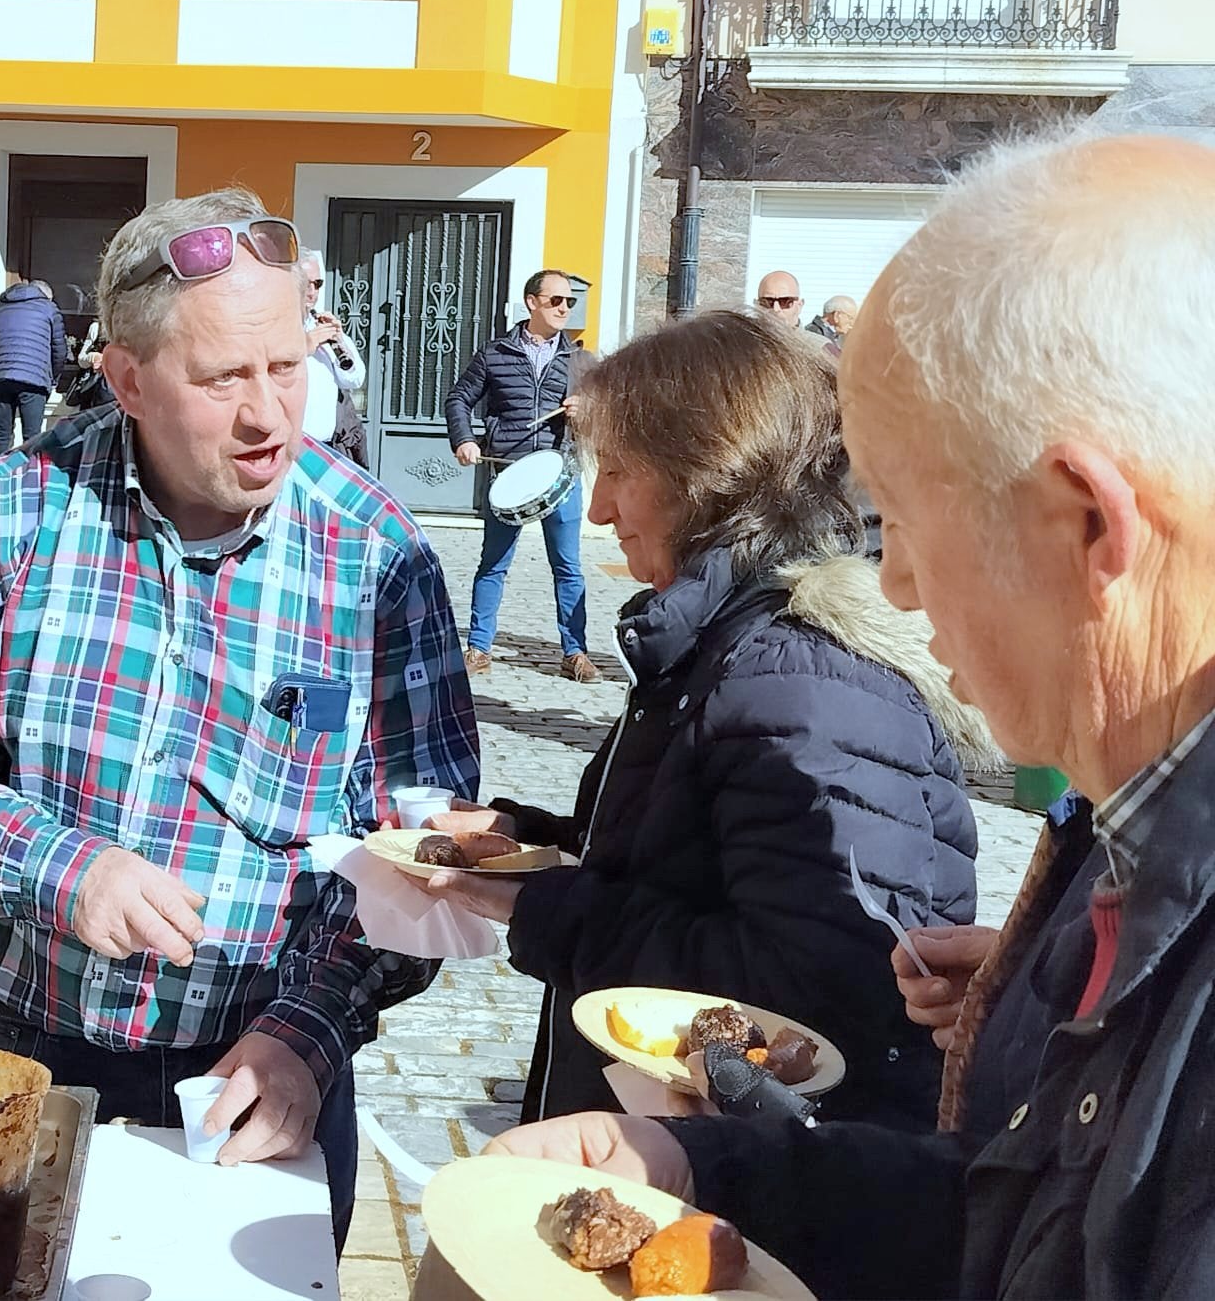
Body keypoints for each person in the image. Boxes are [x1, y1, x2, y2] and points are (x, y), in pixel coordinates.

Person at [479, 132, 1215, 1300]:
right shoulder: (1111, 843)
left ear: (1085, 526)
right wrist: (694, 1163)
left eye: (904, 520)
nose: (897, 588)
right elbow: (993, 1209)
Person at [0, 188, 480, 1253]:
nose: (269, 414)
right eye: (224, 376)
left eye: (287, 366)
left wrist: (309, 1031)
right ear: (129, 379)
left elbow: (429, 856)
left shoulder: (377, 556)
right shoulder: (7, 514)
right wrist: (65, 869)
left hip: (266, 1075)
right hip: (28, 1051)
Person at [421, 310, 987, 1128]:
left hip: (749, 1193)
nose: (602, 508)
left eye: (618, 470)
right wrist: (527, 841)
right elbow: (688, 862)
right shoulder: (723, 643)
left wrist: (552, 904)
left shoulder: (802, 680)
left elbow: (814, 993)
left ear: (707, 476)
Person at [445, 270, 597, 682]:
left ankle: (575, 652)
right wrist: (464, 439)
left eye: (569, 302)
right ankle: (478, 647)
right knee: (493, 563)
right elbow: (459, 398)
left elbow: (608, 413)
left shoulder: (581, 361)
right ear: (532, 302)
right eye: (556, 301)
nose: (565, 308)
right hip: (508, 470)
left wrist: (589, 411)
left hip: (560, 472)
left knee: (568, 566)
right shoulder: (495, 353)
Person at [297, 249, 369, 466]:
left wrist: (339, 340)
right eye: (306, 283)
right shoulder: (273, 325)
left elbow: (354, 379)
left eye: (317, 284)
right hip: (291, 447)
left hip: (327, 445)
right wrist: (305, 345)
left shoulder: (321, 325)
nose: (312, 292)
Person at [0, 280, 67, 458]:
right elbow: (59, 350)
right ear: (46, 295)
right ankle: (30, 480)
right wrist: (53, 379)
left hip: (1, 378)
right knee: (33, 435)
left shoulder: (0, 307)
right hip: (34, 380)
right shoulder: (49, 308)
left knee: (1, 432)